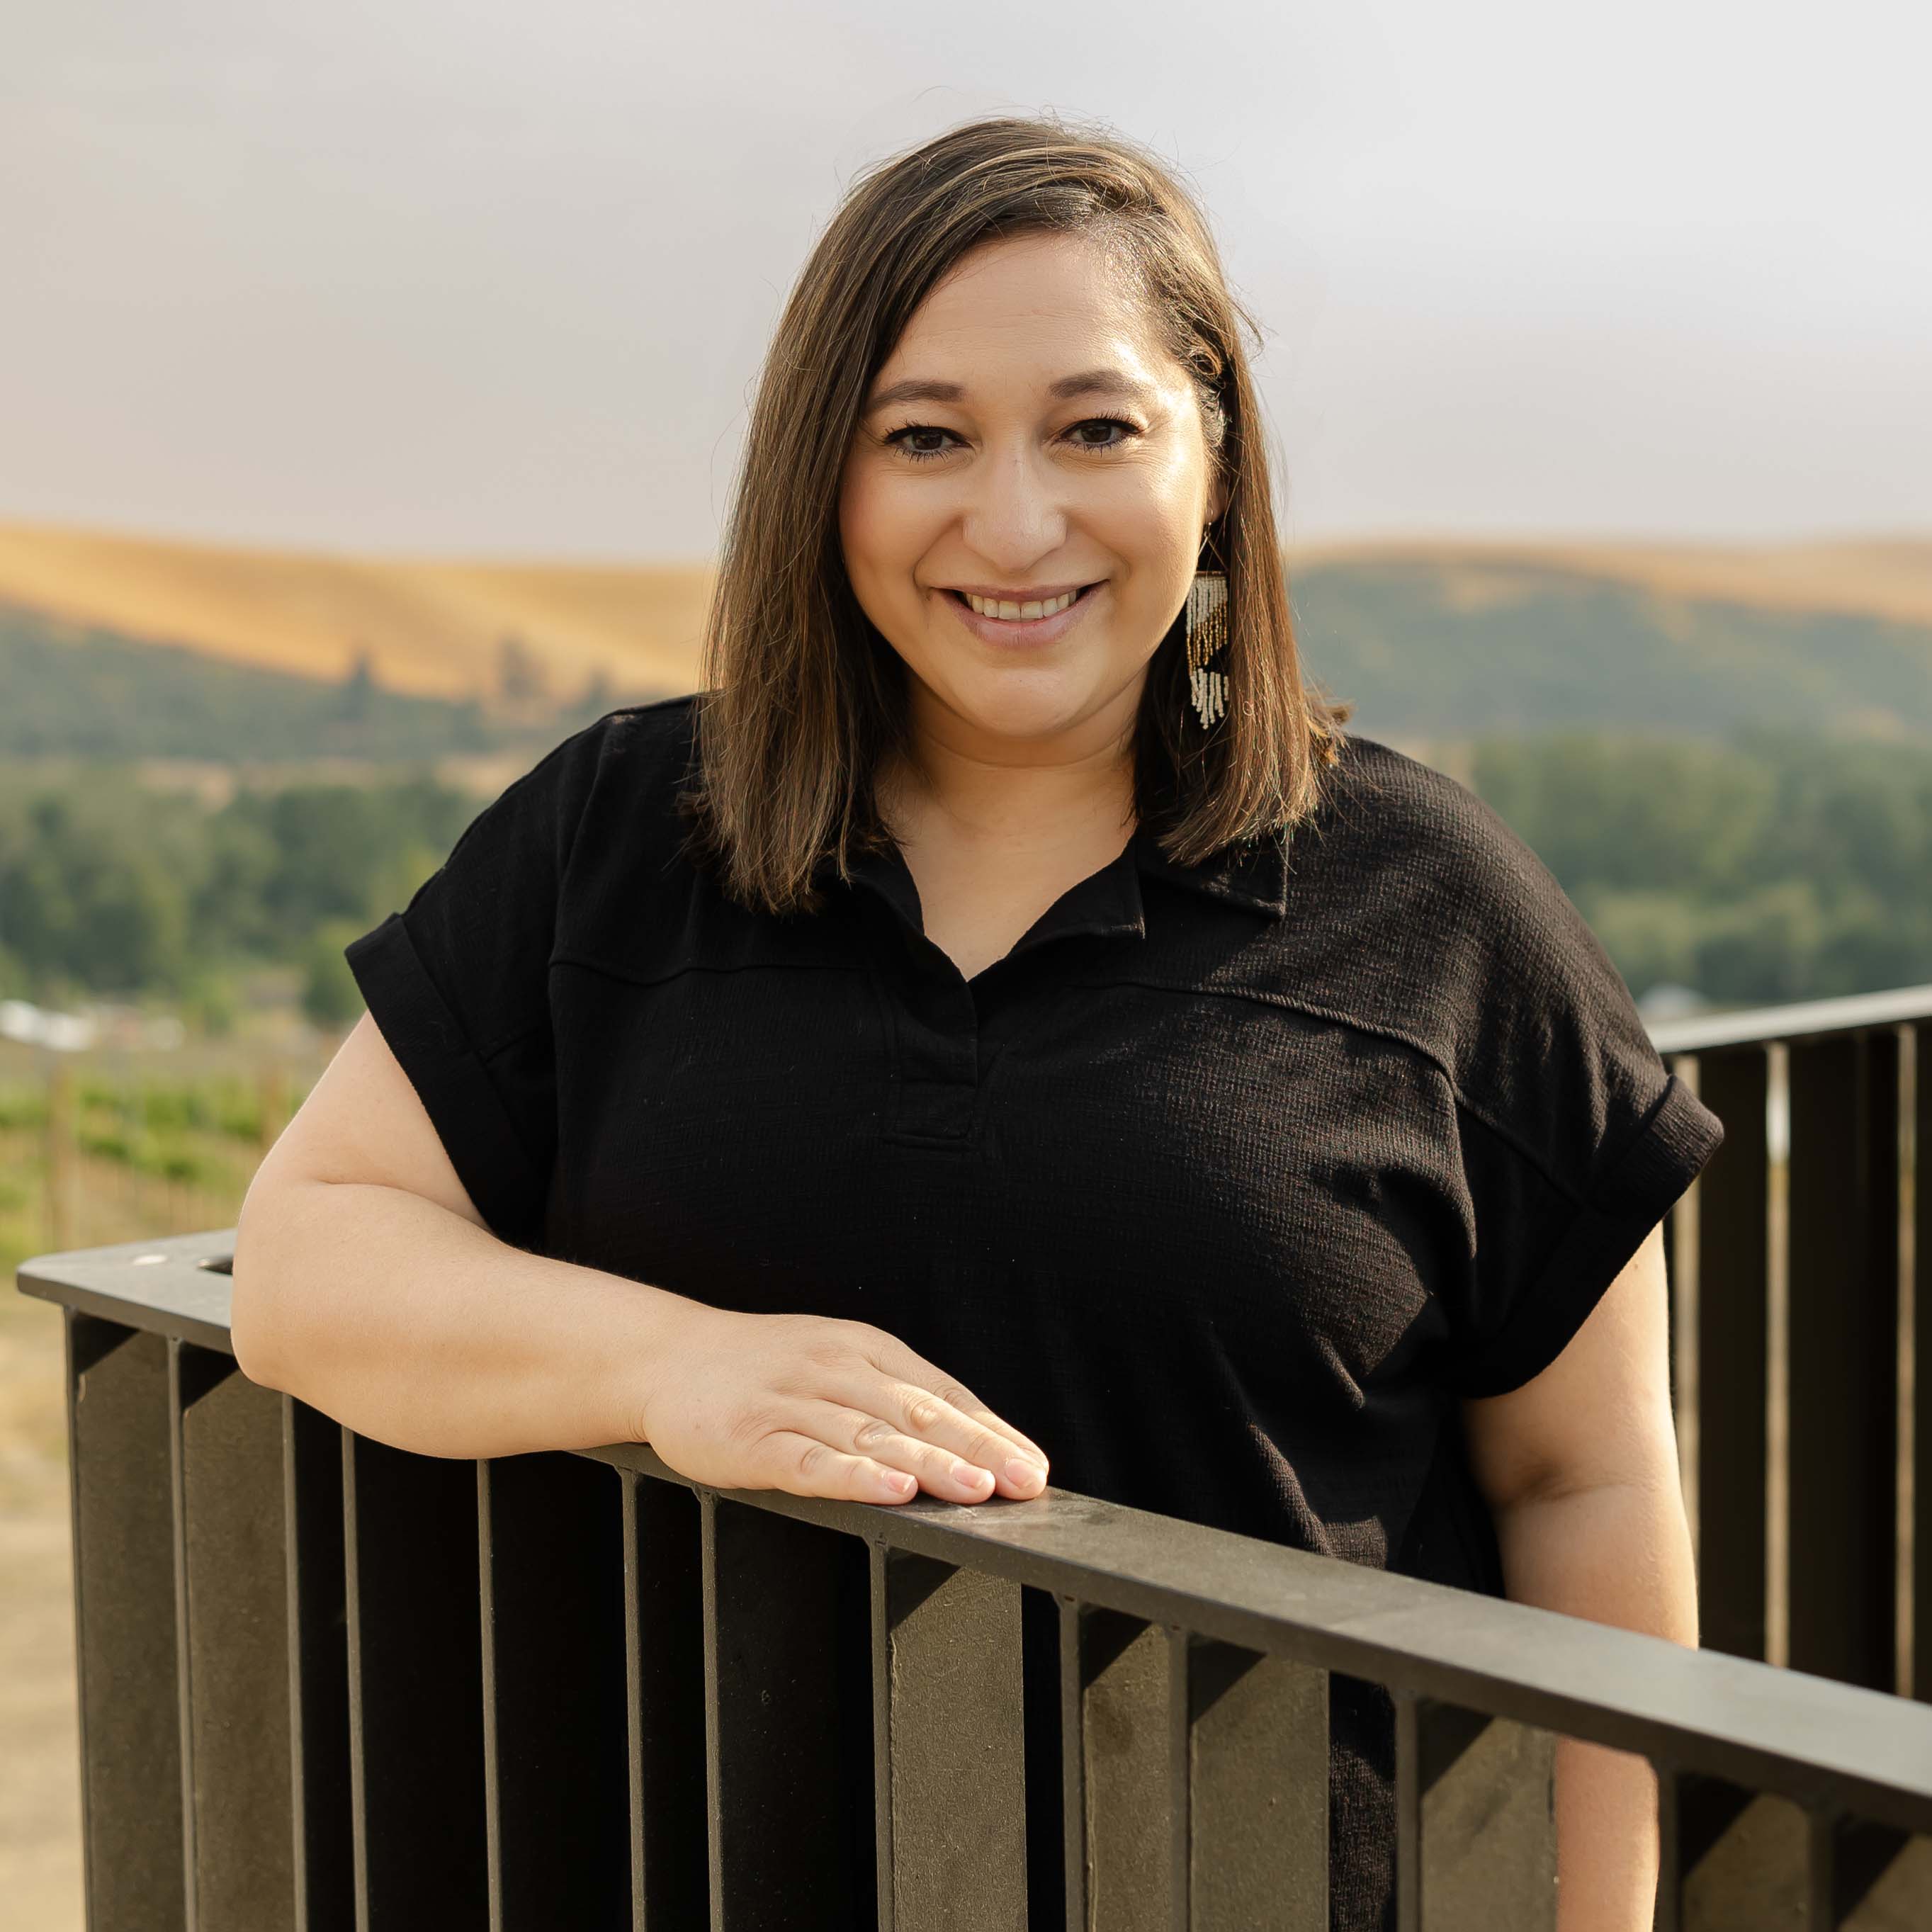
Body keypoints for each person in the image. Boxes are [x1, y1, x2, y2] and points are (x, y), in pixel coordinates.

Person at [230, 112, 1721, 1932]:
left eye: (1095, 429)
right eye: (922, 437)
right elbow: (308, 1257)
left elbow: (1582, 1481)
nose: (1012, 523)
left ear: (1215, 463)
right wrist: (671, 1364)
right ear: (823, 479)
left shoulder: (1438, 903)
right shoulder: (618, 834)